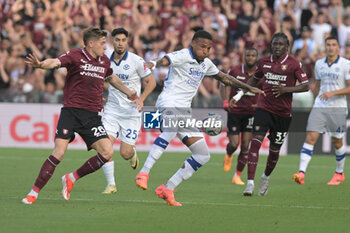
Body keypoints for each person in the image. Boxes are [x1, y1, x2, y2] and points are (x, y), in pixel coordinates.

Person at [135, 30, 265, 206]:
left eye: (209, 48)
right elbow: (165, 60)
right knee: (171, 130)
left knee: (203, 155)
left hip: (185, 111)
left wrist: (248, 88)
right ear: (193, 43)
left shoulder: (206, 64)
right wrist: (153, 62)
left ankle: (168, 188)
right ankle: (144, 172)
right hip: (168, 103)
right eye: (203, 46)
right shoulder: (182, 55)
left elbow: (225, 78)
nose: (206, 50)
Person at [22, 27, 137, 204]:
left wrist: (129, 92)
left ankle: (71, 178)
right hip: (71, 112)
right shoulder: (75, 55)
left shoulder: (104, 61)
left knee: (106, 152)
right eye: (102, 43)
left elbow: (112, 79)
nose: (105, 47)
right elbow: (55, 62)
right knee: (59, 153)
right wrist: (41, 65)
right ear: (91, 44)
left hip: (92, 116)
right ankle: (33, 193)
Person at [237, 32, 309, 196]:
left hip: (283, 114)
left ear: (287, 47)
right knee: (255, 143)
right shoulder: (264, 62)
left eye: (280, 44)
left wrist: (286, 90)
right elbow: (254, 80)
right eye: (274, 44)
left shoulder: (294, 63)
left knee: (274, 151)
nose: (277, 47)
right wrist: (239, 94)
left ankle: (265, 177)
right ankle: (249, 183)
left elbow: (305, 86)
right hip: (264, 109)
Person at [101, 28, 156, 194]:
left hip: (131, 113)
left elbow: (151, 82)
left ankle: (132, 155)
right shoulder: (104, 60)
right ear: (112, 41)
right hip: (111, 110)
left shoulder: (136, 60)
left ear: (127, 41)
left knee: (124, 153)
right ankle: (111, 185)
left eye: (123, 40)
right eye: (117, 40)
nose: (120, 43)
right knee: (104, 149)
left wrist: (141, 99)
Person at [292, 36, 350, 185]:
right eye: (328, 45)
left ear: (338, 47)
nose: (331, 47)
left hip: (337, 108)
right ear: (325, 47)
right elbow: (317, 85)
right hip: (320, 106)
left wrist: (333, 93)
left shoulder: (346, 64)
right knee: (310, 137)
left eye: (333, 45)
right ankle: (301, 173)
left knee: (337, 142)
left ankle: (339, 173)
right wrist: (313, 102)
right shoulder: (318, 64)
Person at [222, 48, 259, 186]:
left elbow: (263, 91)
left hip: (251, 113)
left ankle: (237, 176)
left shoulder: (259, 74)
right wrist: (225, 101)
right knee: (234, 144)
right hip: (235, 112)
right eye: (248, 55)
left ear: (257, 58)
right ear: (244, 57)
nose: (250, 57)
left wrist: (259, 104)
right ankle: (229, 153)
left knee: (245, 146)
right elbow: (224, 84)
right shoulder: (235, 71)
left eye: (253, 55)